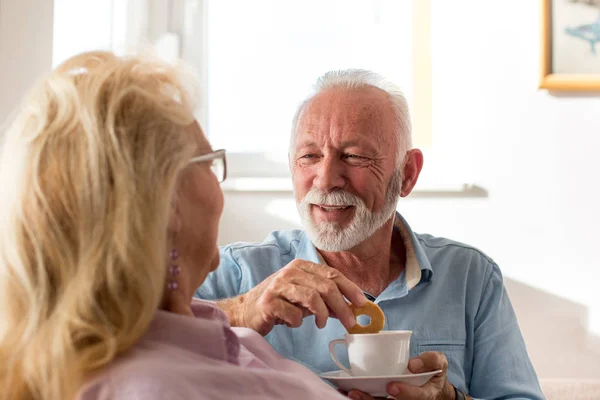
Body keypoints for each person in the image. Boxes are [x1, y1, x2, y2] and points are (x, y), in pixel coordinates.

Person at [0, 51, 349, 400]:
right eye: (210, 163)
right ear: (168, 201)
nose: (327, 178)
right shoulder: (158, 387)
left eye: (353, 156)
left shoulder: (192, 328)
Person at [196, 69, 546, 400]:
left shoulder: (471, 277)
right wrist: (241, 312)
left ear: (407, 174)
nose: (326, 178)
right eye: (309, 156)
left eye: (354, 156)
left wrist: (449, 397)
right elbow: (145, 336)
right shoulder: (241, 272)